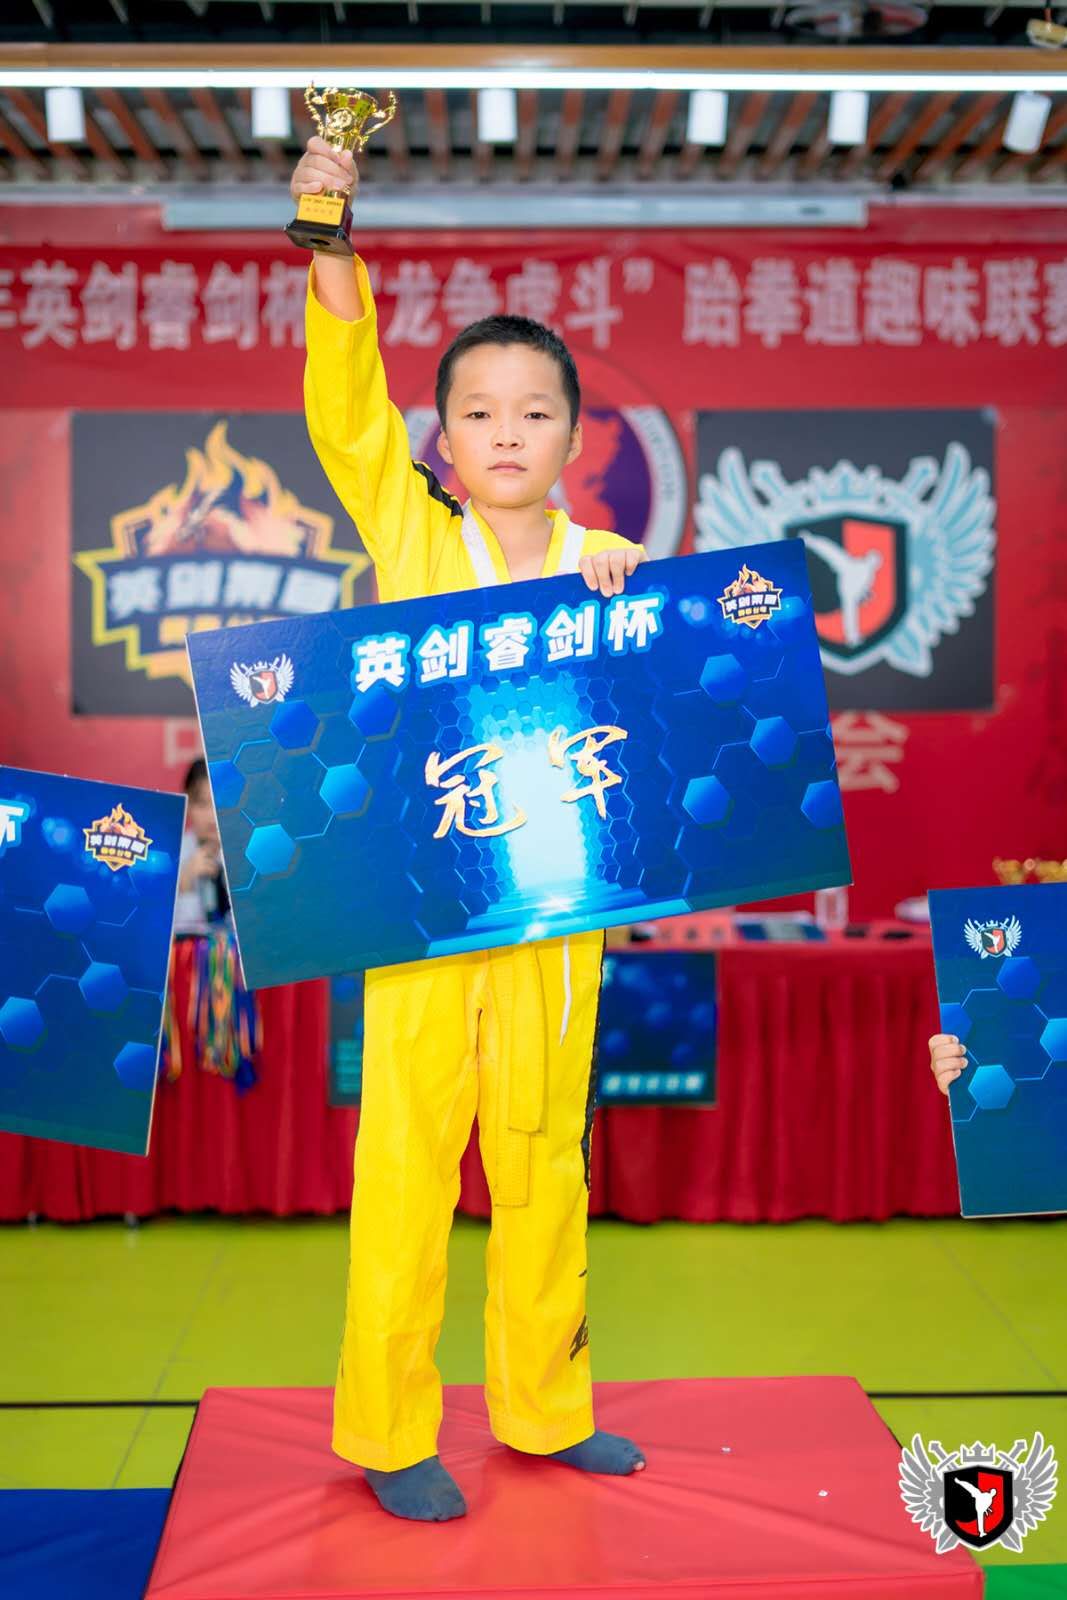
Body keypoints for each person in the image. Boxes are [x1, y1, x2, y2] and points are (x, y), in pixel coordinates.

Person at [292, 135, 648, 1524]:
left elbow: (659, 721)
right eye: (479, 413)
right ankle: (390, 1430)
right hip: (430, 906)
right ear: (441, 438)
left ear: (573, 438)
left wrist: (629, 593)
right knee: (405, 1162)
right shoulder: (411, 534)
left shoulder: (604, 567)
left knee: (544, 1161)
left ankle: (545, 1408)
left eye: (534, 413)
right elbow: (346, 417)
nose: (506, 433)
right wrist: (330, 233)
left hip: (555, 910)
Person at [173, 757, 231, 938]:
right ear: (188, 803)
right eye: (202, 804)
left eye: (218, 802)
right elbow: (181, 941)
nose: (212, 816)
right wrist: (186, 884)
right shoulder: (175, 855)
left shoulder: (245, 853)